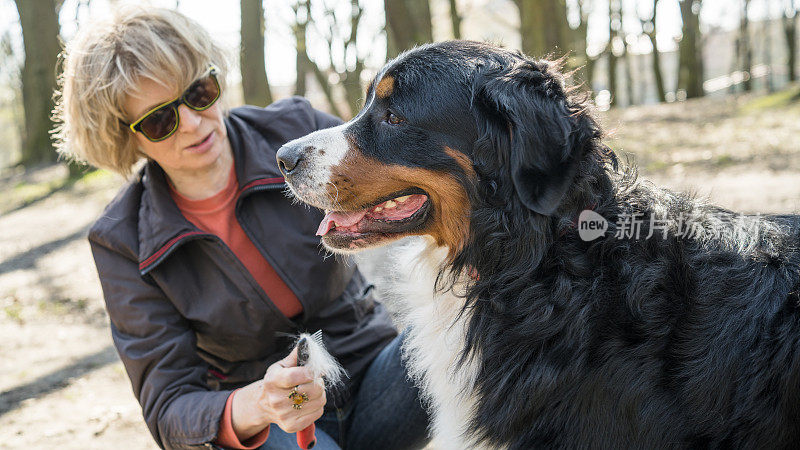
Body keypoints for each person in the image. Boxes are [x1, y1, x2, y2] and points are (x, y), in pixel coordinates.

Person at [52, 6, 429, 450]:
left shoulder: (296, 131)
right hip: (270, 425)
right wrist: (261, 404)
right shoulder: (120, 241)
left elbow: (418, 182)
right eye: (159, 120)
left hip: (376, 375)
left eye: (199, 92)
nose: (192, 123)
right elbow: (169, 407)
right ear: (124, 136)